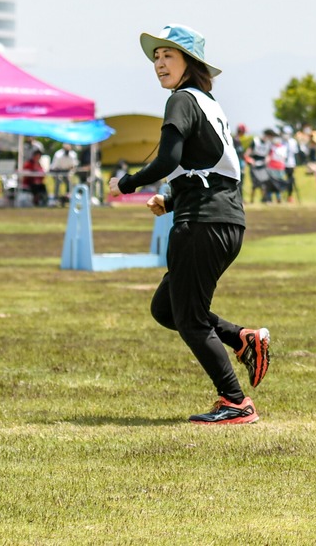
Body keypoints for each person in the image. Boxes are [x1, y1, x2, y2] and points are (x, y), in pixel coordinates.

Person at [108, 24, 269, 426]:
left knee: (190, 319)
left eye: (169, 56)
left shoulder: (181, 99)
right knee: (167, 309)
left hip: (202, 224)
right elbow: (212, 166)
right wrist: (172, 197)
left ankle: (236, 402)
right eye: (156, 57)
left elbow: (168, 159)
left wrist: (125, 183)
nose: (159, 63)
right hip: (224, 220)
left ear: (190, 64)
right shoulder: (208, 103)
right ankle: (241, 337)